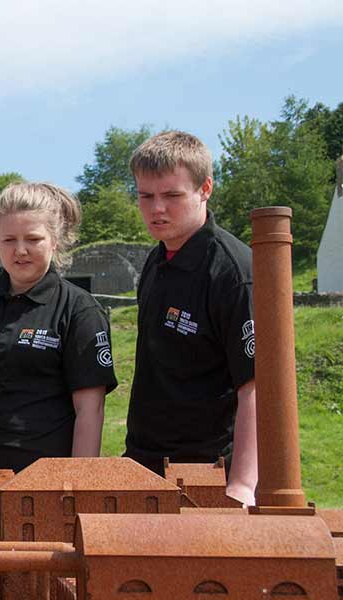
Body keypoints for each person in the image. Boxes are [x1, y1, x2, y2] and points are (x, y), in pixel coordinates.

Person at [0, 182, 116, 473]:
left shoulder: (79, 310)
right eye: (8, 240)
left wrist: (80, 482)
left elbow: (89, 410)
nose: (20, 250)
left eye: (33, 239)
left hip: (44, 479)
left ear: (55, 240)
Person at [123, 131, 257, 505]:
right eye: (145, 196)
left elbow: (256, 387)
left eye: (171, 196)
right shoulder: (154, 262)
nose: (156, 209)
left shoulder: (234, 272)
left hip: (210, 473)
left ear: (205, 189)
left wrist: (243, 486)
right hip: (144, 464)